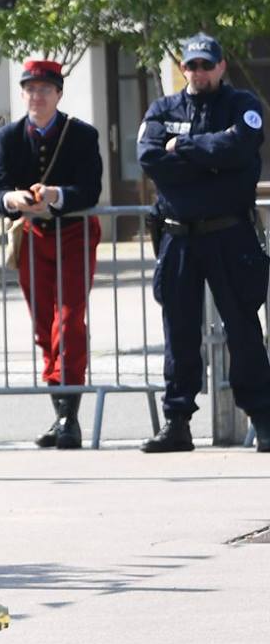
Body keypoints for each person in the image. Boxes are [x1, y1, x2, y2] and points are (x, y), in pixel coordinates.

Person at [135, 33, 270, 454]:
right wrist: (212, 162)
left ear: (221, 66)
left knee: (243, 330)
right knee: (179, 332)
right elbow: (151, 159)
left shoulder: (243, 106)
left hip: (229, 234)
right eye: (191, 66)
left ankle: (264, 418)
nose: (198, 72)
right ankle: (177, 422)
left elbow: (242, 147)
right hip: (177, 236)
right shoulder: (163, 108)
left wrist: (186, 148)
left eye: (205, 65)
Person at [0, 59, 104, 449]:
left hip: (73, 232)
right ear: (22, 93)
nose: (36, 96)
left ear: (58, 93)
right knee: (43, 325)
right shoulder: (8, 136)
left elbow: (90, 190)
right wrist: (11, 198)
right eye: (30, 89)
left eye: (44, 89)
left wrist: (57, 196)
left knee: (68, 322)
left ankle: (69, 417)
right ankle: (59, 412)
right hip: (32, 234)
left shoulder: (83, 135)